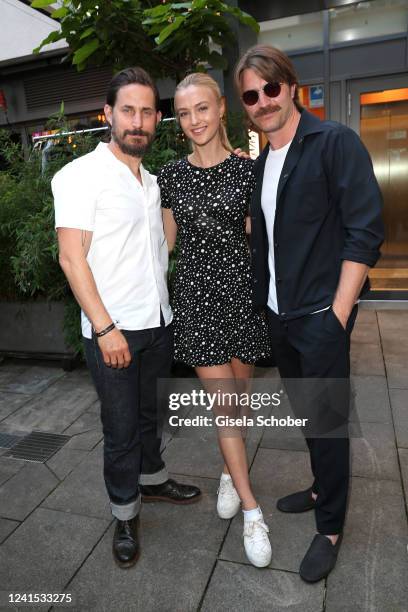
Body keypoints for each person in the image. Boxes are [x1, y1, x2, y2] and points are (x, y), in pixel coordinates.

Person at [234, 44, 384, 582]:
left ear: (290, 86)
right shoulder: (262, 163)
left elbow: (364, 233)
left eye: (270, 88)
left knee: (327, 424)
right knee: (306, 415)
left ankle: (331, 527)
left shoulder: (333, 142)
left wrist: (338, 315)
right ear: (246, 106)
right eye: (251, 95)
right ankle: (322, 486)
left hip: (322, 316)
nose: (263, 101)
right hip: (280, 317)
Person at [52, 67, 201, 569]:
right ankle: (124, 512)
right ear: (108, 115)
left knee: (149, 416)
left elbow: (162, 244)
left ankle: (154, 481)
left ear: (157, 119)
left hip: (157, 322)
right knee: (119, 430)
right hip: (111, 330)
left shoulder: (154, 183)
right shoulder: (78, 177)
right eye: (127, 111)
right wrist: (105, 327)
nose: (137, 121)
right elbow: (72, 258)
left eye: (146, 112)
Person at [158, 72, 272, 568]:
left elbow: (261, 239)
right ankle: (252, 511)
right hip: (199, 303)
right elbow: (164, 247)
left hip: (241, 299)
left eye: (201, 109)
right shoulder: (171, 177)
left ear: (221, 108)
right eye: (183, 114)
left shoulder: (249, 172)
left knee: (239, 403)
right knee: (225, 406)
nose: (193, 121)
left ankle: (230, 471)